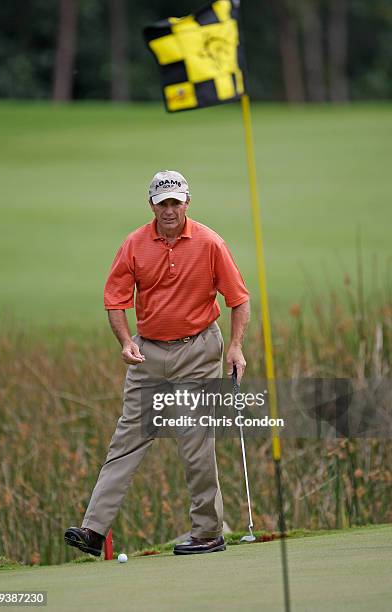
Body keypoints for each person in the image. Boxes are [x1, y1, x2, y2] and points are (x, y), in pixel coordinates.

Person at [65, 170, 250, 556]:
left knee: (195, 443)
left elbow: (238, 298)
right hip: (148, 353)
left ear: (187, 203)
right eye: (162, 202)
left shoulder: (210, 243)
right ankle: (93, 531)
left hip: (197, 350)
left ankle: (206, 532)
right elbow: (115, 299)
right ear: (151, 204)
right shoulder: (134, 244)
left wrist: (235, 346)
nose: (169, 209)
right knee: (127, 439)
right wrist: (125, 340)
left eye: (175, 202)